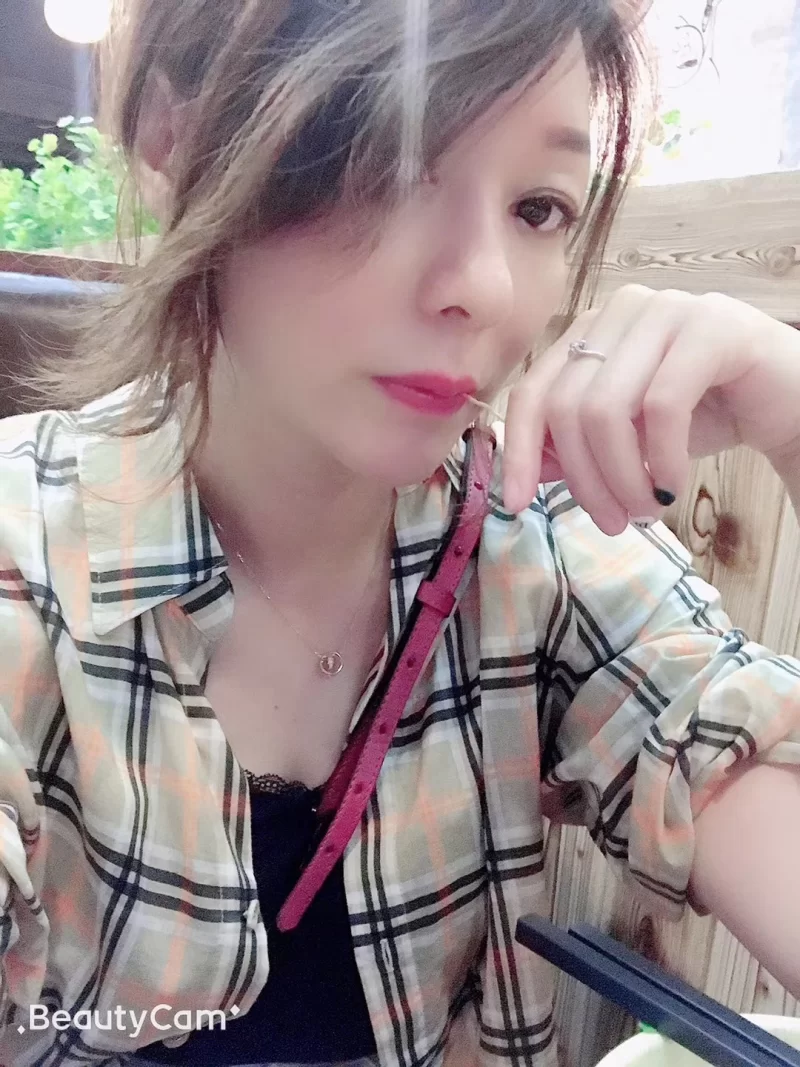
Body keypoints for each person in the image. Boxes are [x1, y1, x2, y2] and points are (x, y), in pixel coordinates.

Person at [0, 0, 799, 1064]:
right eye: (375, 159)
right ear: (171, 142)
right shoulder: (28, 553)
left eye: (538, 206)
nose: (484, 285)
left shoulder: (536, 540)